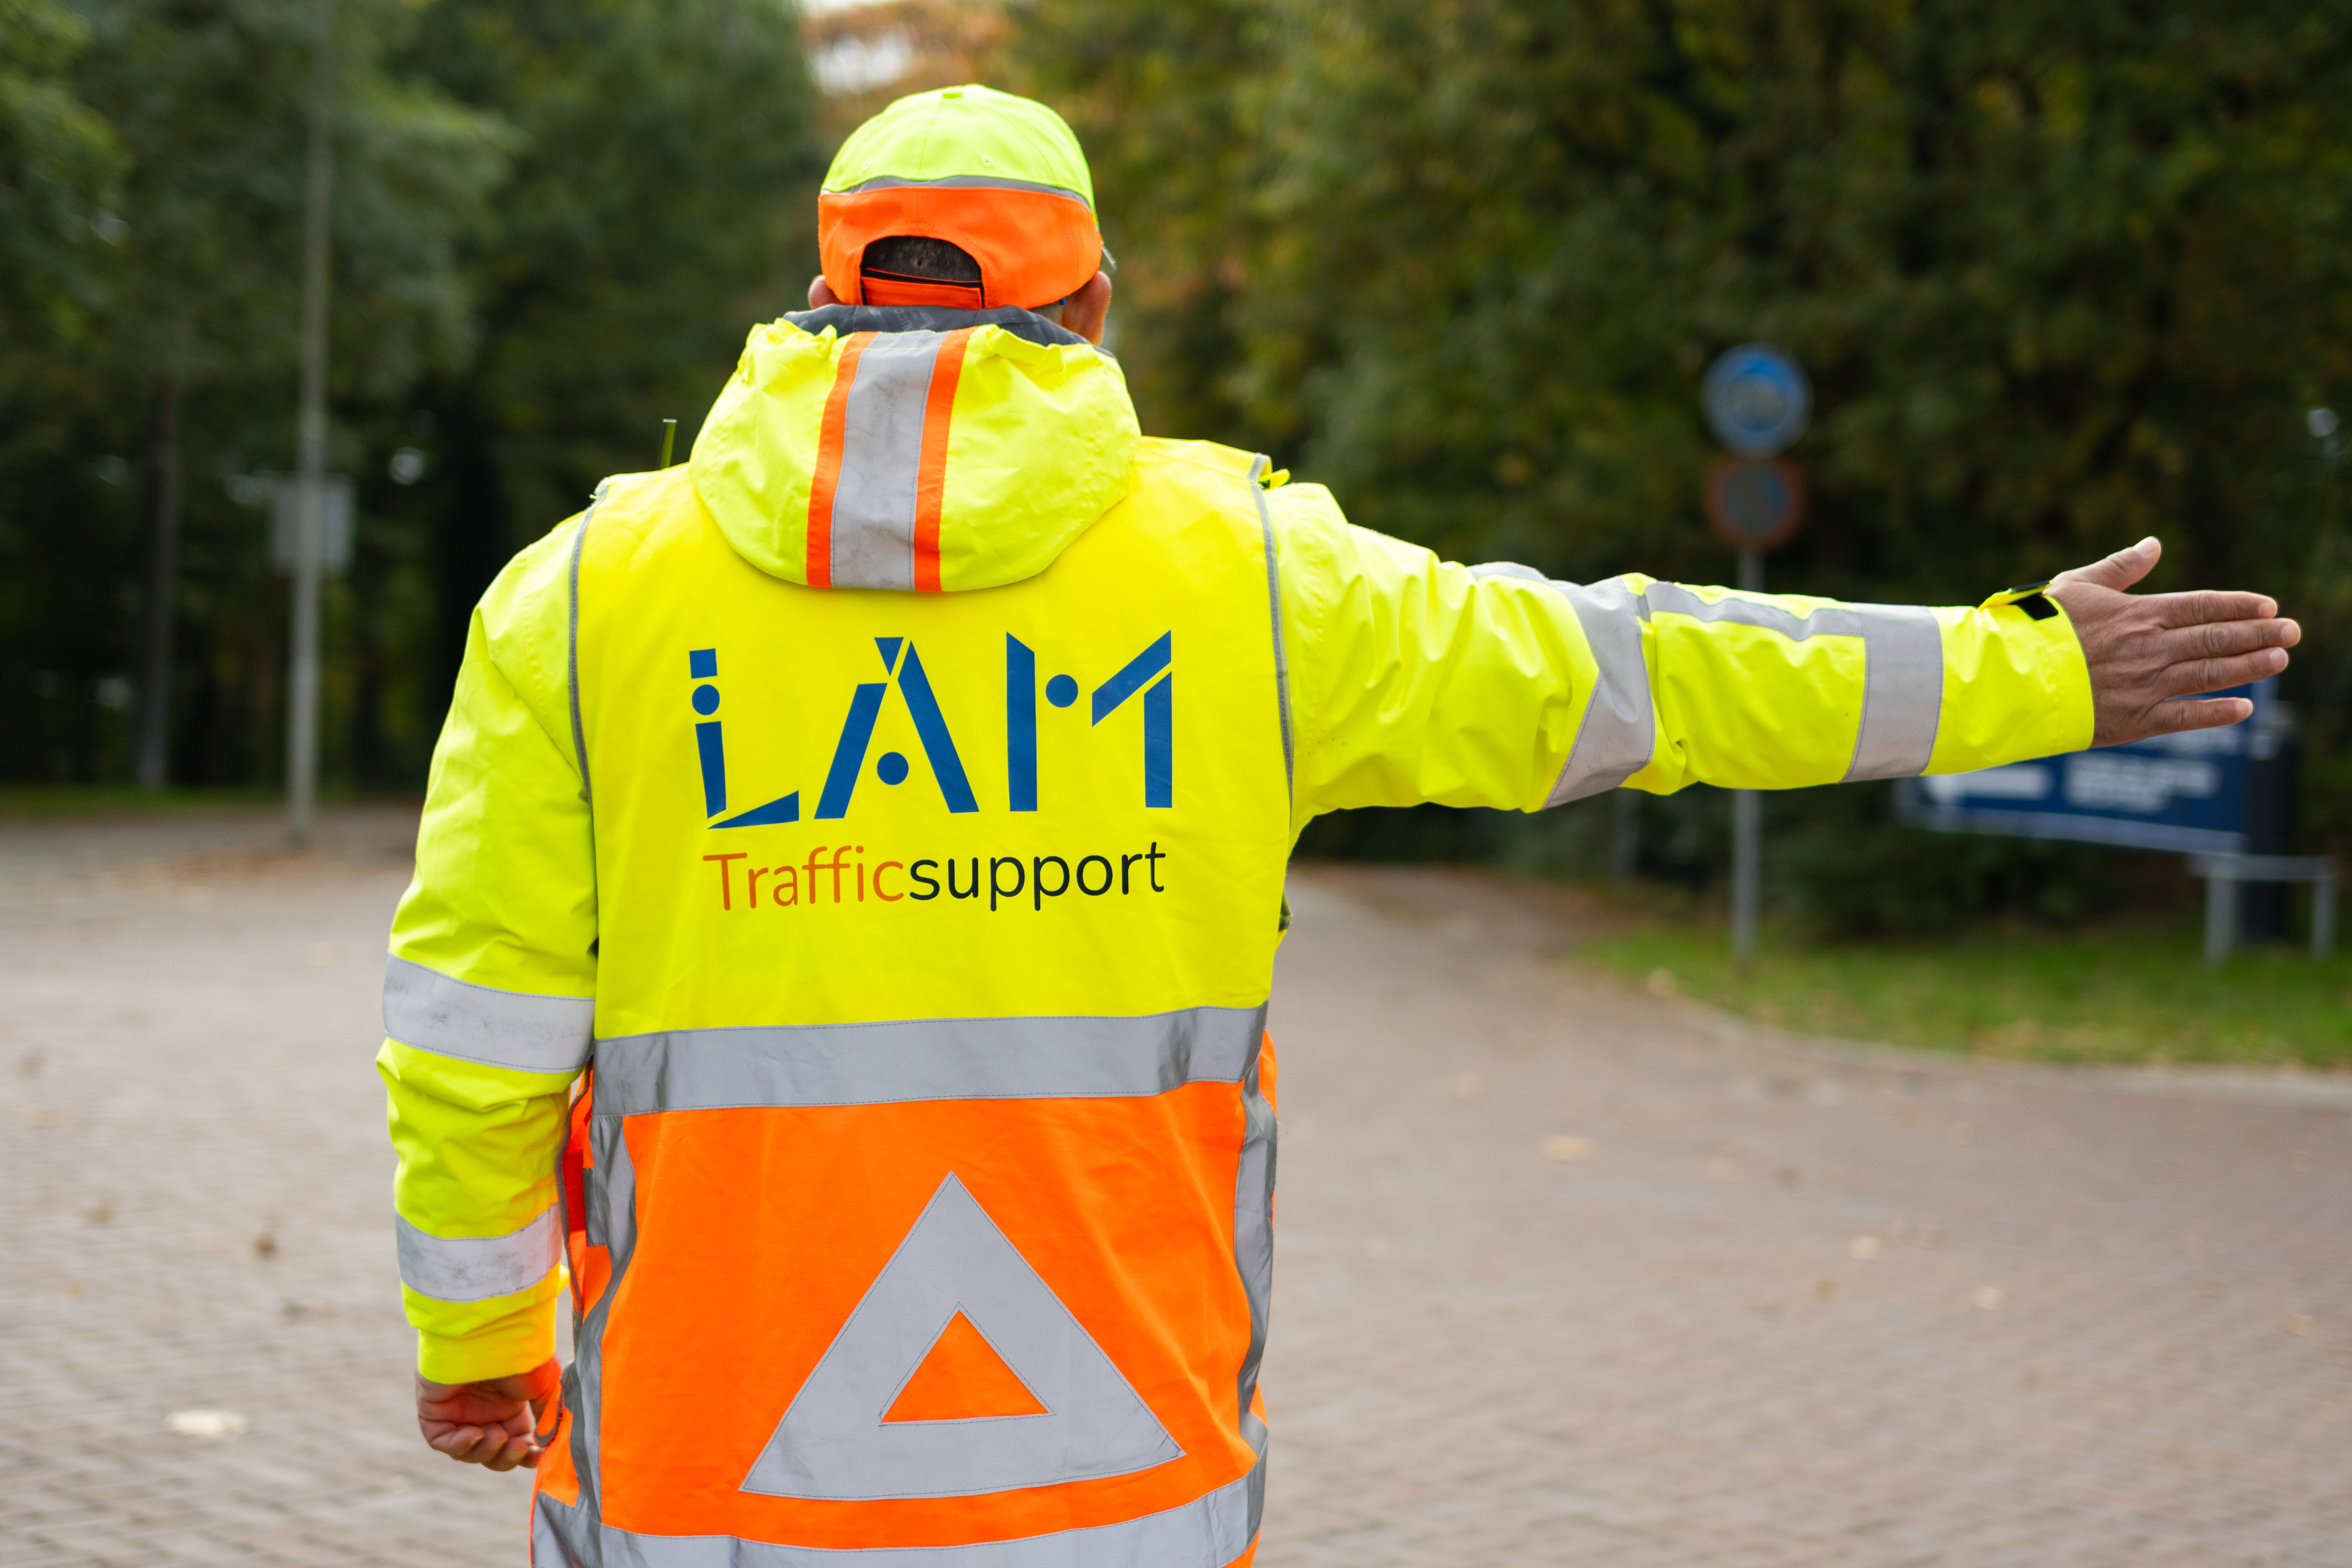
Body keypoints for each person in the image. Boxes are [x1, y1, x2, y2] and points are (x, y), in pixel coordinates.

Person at [379, 83, 2299, 1568]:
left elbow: (471, 1034)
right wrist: (2030, 671)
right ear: (1097, 304)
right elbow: (1645, 674)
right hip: (1114, 1459)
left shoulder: (582, 597)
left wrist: (481, 1348)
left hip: (702, 1465)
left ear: (823, 283)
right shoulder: (1250, 583)